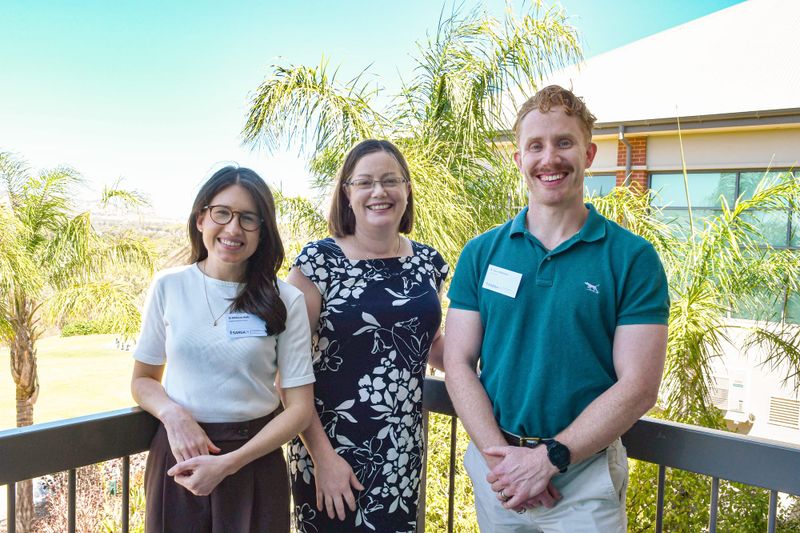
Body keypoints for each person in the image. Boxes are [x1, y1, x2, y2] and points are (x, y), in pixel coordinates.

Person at [443, 85, 670, 532]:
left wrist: (549, 459)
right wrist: (508, 464)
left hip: (583, 480)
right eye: (536, 146)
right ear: (518, 158)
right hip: (498, 471)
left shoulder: (631, 258)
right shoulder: (480, 253)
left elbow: (640, 386)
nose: (550, 158)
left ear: (589, 153)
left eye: (564, 143)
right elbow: (457, 361)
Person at [131, 166, 315, 532]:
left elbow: (299, 409)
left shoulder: (285, 300)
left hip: (254, 461)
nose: (233, 228)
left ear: (263, 231)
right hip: (180, 456)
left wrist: (230, 463)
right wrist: (174, 415)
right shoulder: (168, 287)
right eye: (222, 213)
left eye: (249, 219)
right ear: (201, 218)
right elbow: (142, 381)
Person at [287, 139, 449, 532]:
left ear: (407, 191)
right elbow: (288, 373)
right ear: (347, 193)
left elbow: (431, 347)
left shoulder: (428, 263)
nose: (379, 192)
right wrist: (324, 459)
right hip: (326, 449)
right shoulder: (317, 263)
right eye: (365, 183)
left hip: (400, 450)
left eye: (391, 181)